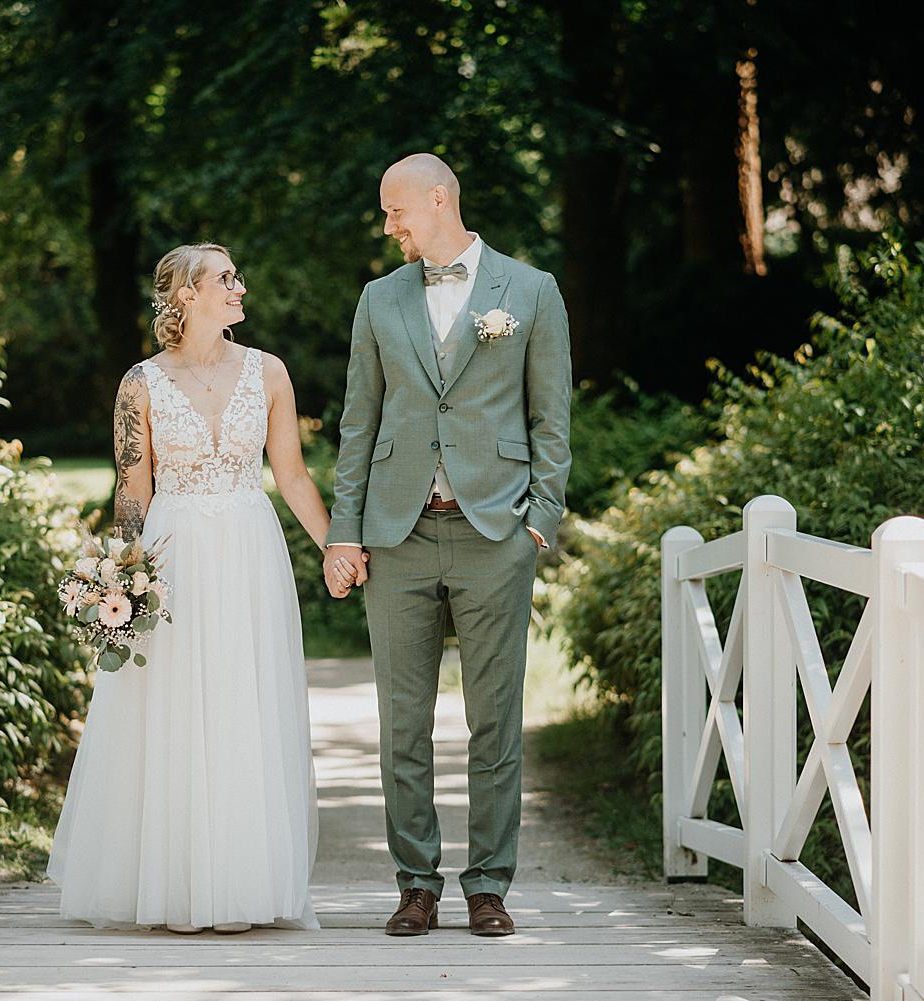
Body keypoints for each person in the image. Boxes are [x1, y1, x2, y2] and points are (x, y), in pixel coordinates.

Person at [322, 154, 572, 937]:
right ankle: (416, 884)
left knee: (494, 719)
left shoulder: (530, 291)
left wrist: (542, 518)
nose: (388, 225)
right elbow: (359, 421)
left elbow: (551, 419)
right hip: (396, 534)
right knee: (403, 721)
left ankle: (490, 884)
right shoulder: (378, 297)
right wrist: (345, 529)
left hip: (496, 531)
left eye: (396, 210)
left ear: (439, 200)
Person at [47, 243, 325, 934]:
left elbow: (290, 475)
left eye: (235, 277)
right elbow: (131, 487)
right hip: (170, 557)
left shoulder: (269, 372)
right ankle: (171, 881)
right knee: (168, 708)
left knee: (241, 701)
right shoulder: (139, 383)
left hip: (248, 552)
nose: (240, 286)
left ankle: (242, 878)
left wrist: (337, 549)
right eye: (225, 279)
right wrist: (120, 578)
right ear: (186, 294)